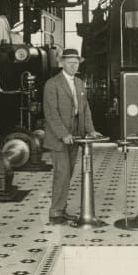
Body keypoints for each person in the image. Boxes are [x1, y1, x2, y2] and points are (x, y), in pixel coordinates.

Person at [42, 48, 100, 224]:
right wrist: (63, 134)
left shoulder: (80, 83)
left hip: (76, 134)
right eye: (70, 62)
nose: (74, 66)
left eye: (76, 63)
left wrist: (90, 130)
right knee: (62, 173)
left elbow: (85, 109)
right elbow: (51, 113)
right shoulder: (52, 84)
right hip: (59, 136)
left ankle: (62, 209)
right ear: (62, 63)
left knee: (68, 174)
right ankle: (55, 213)